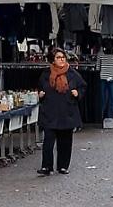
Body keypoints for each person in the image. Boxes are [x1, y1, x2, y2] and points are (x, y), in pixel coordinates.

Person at [38, 48, 88, 176]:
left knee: (65, 141)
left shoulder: (72, 73)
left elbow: (82, 86)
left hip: (67, 111)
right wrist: (40, 94)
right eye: (58, 57)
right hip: (50, 111)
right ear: (52, 60)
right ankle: (46, 167)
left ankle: (63, 166)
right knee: (48, 141)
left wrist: (78, 93)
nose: (61, 60)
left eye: (63, 57)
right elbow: (39, 87)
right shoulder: (46, 73)